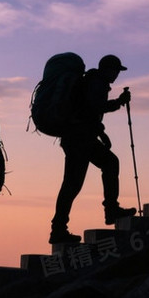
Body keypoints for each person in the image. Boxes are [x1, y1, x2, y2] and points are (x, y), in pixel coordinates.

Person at [49, 55, 137, 245]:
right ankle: (58, 229)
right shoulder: (97, 82)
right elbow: (92, 108)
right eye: (115, 71)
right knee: (73, 183)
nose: (116, 75)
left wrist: (101, 133)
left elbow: (88, 112)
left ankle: (110, 210)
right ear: (107, 69)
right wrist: (119, 102)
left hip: (80, 137)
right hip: (79, 139)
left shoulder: (92, 81)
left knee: (106, 165)